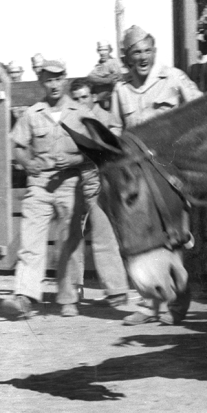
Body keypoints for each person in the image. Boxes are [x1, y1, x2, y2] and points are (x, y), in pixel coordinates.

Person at [108, 25, 202, 325]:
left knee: (174, 236)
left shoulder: (172, 78)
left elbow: (200, 106)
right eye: (136, 52)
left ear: (154, 52)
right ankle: (149, 306)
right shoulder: (120, 90)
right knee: (141, 239)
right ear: (127, 57)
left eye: (147, 51)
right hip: (137, 179)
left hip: (169, 171)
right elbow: (113, 130)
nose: (143, 57)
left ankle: (177, 302)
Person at [1, 60, 95, 319]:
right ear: (42, 82)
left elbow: (97, 150)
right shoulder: (32, 113)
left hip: (70, 184)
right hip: (40, 184)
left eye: (58, 78)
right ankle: (25, 297)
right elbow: (18, 145)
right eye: (48, 80)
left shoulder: (81, 112)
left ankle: (68, 298)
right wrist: (27, 163)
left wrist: (75, 160)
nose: (54, 84)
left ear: (65, 79)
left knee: (69, 242)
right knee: (31, 239)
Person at [61, 78, 131, 308]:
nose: (82, 101)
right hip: (74, 181)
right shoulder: (69, 119)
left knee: (104, 233)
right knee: (72, 235)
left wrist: (76, 157)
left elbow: (106, 150)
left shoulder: (103, 118)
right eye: (77, 98)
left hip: (98, 182)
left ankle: (117, 289)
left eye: (85, 97)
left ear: (92, 97)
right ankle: (73, 288)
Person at [86, 40, 125, 110]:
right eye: (101, 50)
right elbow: (90, 77)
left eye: (105, 49)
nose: (103, 53)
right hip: (100, 102)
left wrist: (106, 80)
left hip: (109, 102)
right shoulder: (100, 65)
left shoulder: (111, 63)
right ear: (98, 51)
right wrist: (107, 80)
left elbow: (90, 77)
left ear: (110, 50)